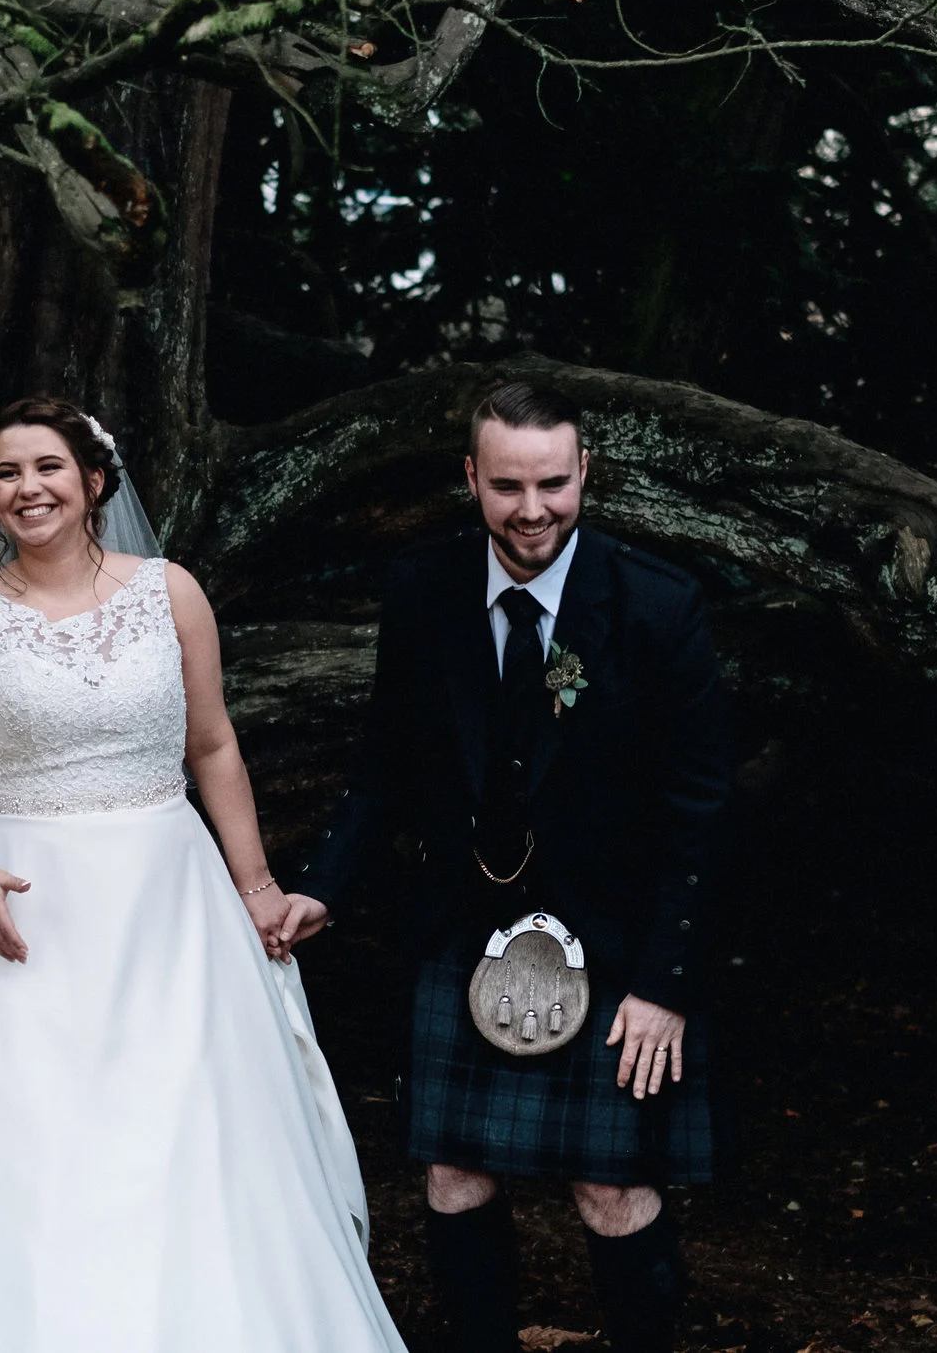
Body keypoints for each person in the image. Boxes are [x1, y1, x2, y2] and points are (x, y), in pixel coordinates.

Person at [0, 397, 406, 1353]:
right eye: (7, 472)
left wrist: (258, 887)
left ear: (94, 482)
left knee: (182, 1124)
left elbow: (214, 745)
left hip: (168, 902)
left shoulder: (170, 591)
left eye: (47, 467)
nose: (26, 487)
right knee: (22, 1133)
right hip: (23, 901)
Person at [280, 379, 734, 1353]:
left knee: (610, 1185)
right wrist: (321, 882)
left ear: (585, 473)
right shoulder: (423, 586)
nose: (533, 509)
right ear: (471, 478)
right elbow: (385, 763)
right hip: (464, 921)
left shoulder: (653, 604)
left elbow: (697, 811)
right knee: (454, 1172)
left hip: (615, 935)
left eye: (554, 483)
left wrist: (664, 983)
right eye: (508, 485)